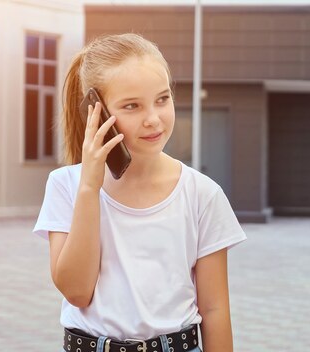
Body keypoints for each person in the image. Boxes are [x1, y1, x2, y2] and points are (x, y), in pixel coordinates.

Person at [33, 33, 246, 352]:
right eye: (132, 106)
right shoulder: (66, 185)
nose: (153, 119)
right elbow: (77, 292)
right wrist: (90, 188)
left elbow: (215, 310)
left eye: (162, 99)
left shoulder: (202, 193)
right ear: (96, 112)